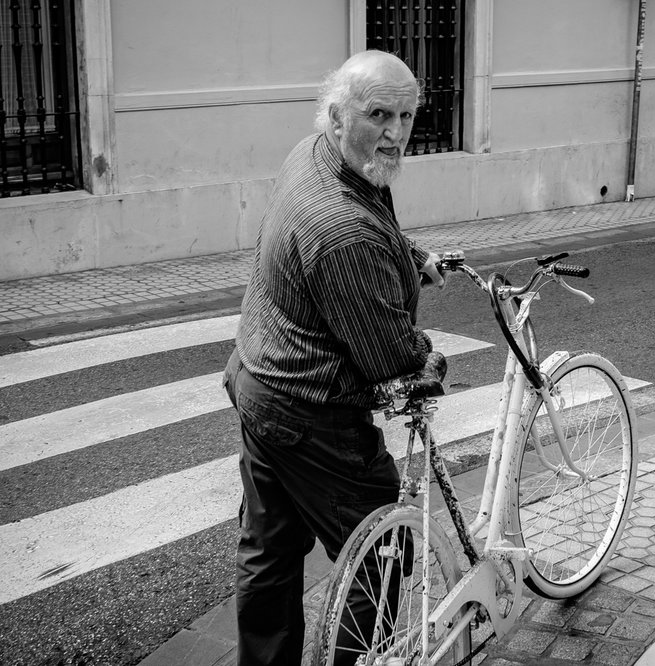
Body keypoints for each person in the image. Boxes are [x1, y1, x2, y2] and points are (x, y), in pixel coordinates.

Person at [222, 50, 445, 665]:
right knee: (380, 545)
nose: (396, 134)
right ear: (338, 115)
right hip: (307, 410)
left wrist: (409, 256)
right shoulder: (341, 230)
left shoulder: (317, 152)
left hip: (258, 377)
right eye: (379, 115)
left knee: (269, 550)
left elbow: (368, 222)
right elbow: (391, 358)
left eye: (406, 114)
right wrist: (430, 363)